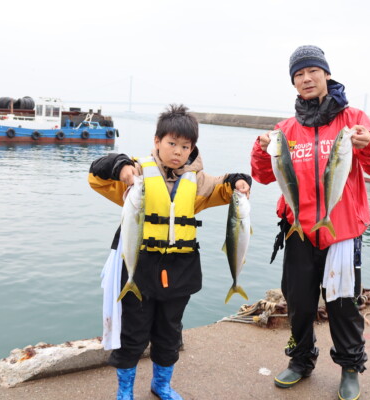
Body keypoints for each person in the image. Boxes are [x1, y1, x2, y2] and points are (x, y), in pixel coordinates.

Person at [250, 45, 370, 400]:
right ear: (293, 83)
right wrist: (260, 146)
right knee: (298, 301)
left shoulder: (353, 119)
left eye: (312, 71)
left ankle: (350, 367)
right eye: (298, 75)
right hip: (299, 231)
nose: (306, 79)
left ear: (326, 74)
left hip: (342, 231)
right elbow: (263, 176)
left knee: (343, 304)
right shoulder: (286, 128)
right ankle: (300, 360)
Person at [89, 104, 251, 400]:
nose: (178, 151)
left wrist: (241, 181)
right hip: (139, 268)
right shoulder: (135, 174)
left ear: (192, 149)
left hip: (181, 268)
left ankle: (160, 385)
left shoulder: (198, 181)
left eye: (185, 146)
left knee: (170, 333)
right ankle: (125, 389)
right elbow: (96, 177)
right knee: (132, 333)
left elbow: (225, 187)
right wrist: (121, 167)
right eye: (171, 143)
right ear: (157, 142)